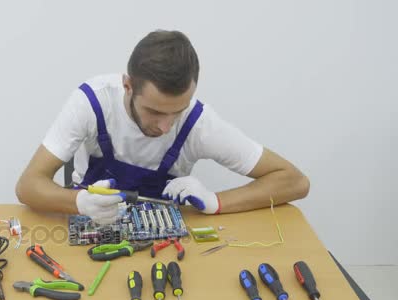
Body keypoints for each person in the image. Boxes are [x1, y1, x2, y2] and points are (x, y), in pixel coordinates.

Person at [16, 30, 309, 224]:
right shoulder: (92, 102)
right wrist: (79, 202)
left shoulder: (199, 122)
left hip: (160, 240)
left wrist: (216, 202)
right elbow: (28, 185)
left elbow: (295, 181)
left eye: (177, 111)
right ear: (128, 86)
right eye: (155, 111)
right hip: (92, 227)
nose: (166, 126)